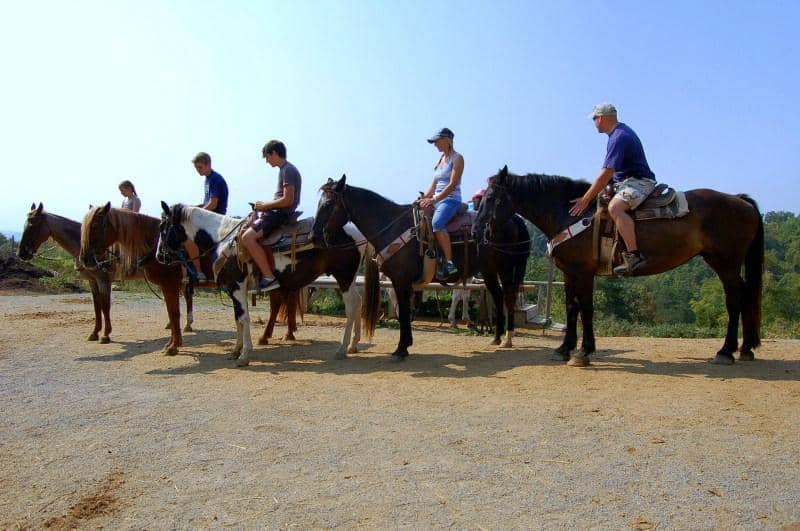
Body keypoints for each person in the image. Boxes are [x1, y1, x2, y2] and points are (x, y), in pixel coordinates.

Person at [569, 103, 656, 275]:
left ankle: (634, 255)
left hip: (639, 182)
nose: (594, 123)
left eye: (594, 119)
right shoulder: (617, 134)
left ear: (601, 118)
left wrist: (586, 199)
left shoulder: (619, 137)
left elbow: (607, 172)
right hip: (624, 182)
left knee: (615, 208)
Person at [240, 140, 302, 291]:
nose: (267, 161)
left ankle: (269, 277)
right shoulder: (286, 169)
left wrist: (265, 206)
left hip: (279, 214)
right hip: (277, 212)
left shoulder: (288, 170)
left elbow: (288, 200)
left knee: (247, 238)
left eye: (267, 157)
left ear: (274, 153)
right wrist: (264, 205)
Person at [418, 127, 464, 276]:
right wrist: (422, 199)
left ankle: (449, 263)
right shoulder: (440, 160)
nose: (435, 144)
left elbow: (452, 185)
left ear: (447, 140)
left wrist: (434, 199)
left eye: (437, 141)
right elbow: (433, 186)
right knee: (416, 218)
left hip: (451, 200)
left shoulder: (458, 158)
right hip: (437, 199)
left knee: (437, 223)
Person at [186, 152, 229, 281]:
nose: (198, 171)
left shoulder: (215, 179)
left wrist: (198, 214)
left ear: (208, 164)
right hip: (210, 218)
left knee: (187, 237)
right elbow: (206, 203)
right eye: (196, 168)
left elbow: (213, 204)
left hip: (215, 219)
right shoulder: (208, 179)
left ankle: (198, 272)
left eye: (200, 167)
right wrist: (192, 209)